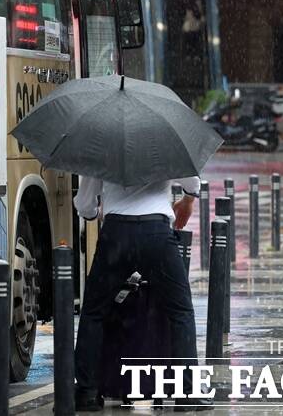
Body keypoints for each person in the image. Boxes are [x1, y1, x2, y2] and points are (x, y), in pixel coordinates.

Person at [73, 175, 214, 412]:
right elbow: (191, 181)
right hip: (156, 233)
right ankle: (187, 392)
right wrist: (187, 200)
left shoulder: (103, 144)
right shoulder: (163, 140)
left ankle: (87, 391)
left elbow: (84, 203)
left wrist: (93, 213)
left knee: (94, 312)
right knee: (180, 311)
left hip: (116, 233)